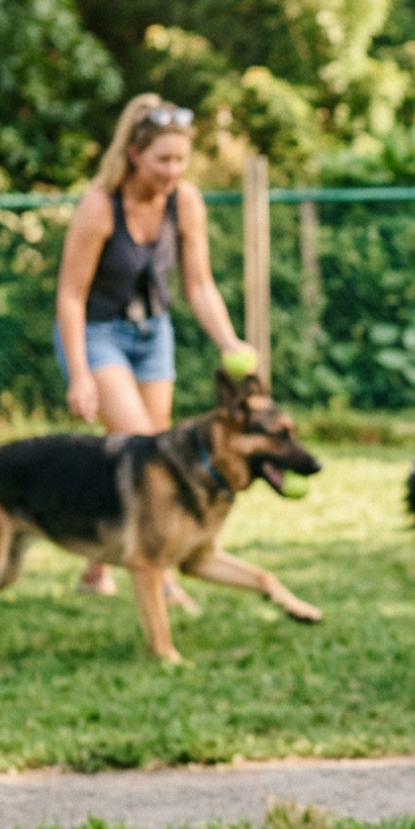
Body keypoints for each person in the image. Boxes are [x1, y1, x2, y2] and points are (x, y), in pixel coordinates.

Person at [55, 94, 254, 598]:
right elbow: (71, 296)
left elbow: (200, 285)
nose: (173, 171)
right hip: (97, 333)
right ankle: (162, 576)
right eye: (164, 160)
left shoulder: (185, 202)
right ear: (136, 154)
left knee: (153, 447)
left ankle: (96, 567)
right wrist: (80, 373)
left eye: (181, 160)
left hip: (152, 334)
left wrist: (229, 340)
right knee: (149, 454)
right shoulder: (101, 206)